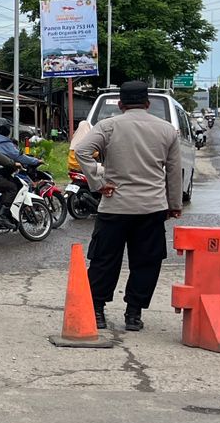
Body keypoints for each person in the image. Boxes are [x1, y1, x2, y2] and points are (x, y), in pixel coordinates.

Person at [70, 80, 182, 332]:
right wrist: (174, 203)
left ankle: (97, 311)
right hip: (151, 208)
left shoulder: (108, 126)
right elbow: (174, 171)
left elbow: (82, 151)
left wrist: (98, 184)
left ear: (120, 104)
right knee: (146, 262)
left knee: (104, 260)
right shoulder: (167, 130)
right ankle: (133, 313)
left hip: (114, 207)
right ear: (147, 104)